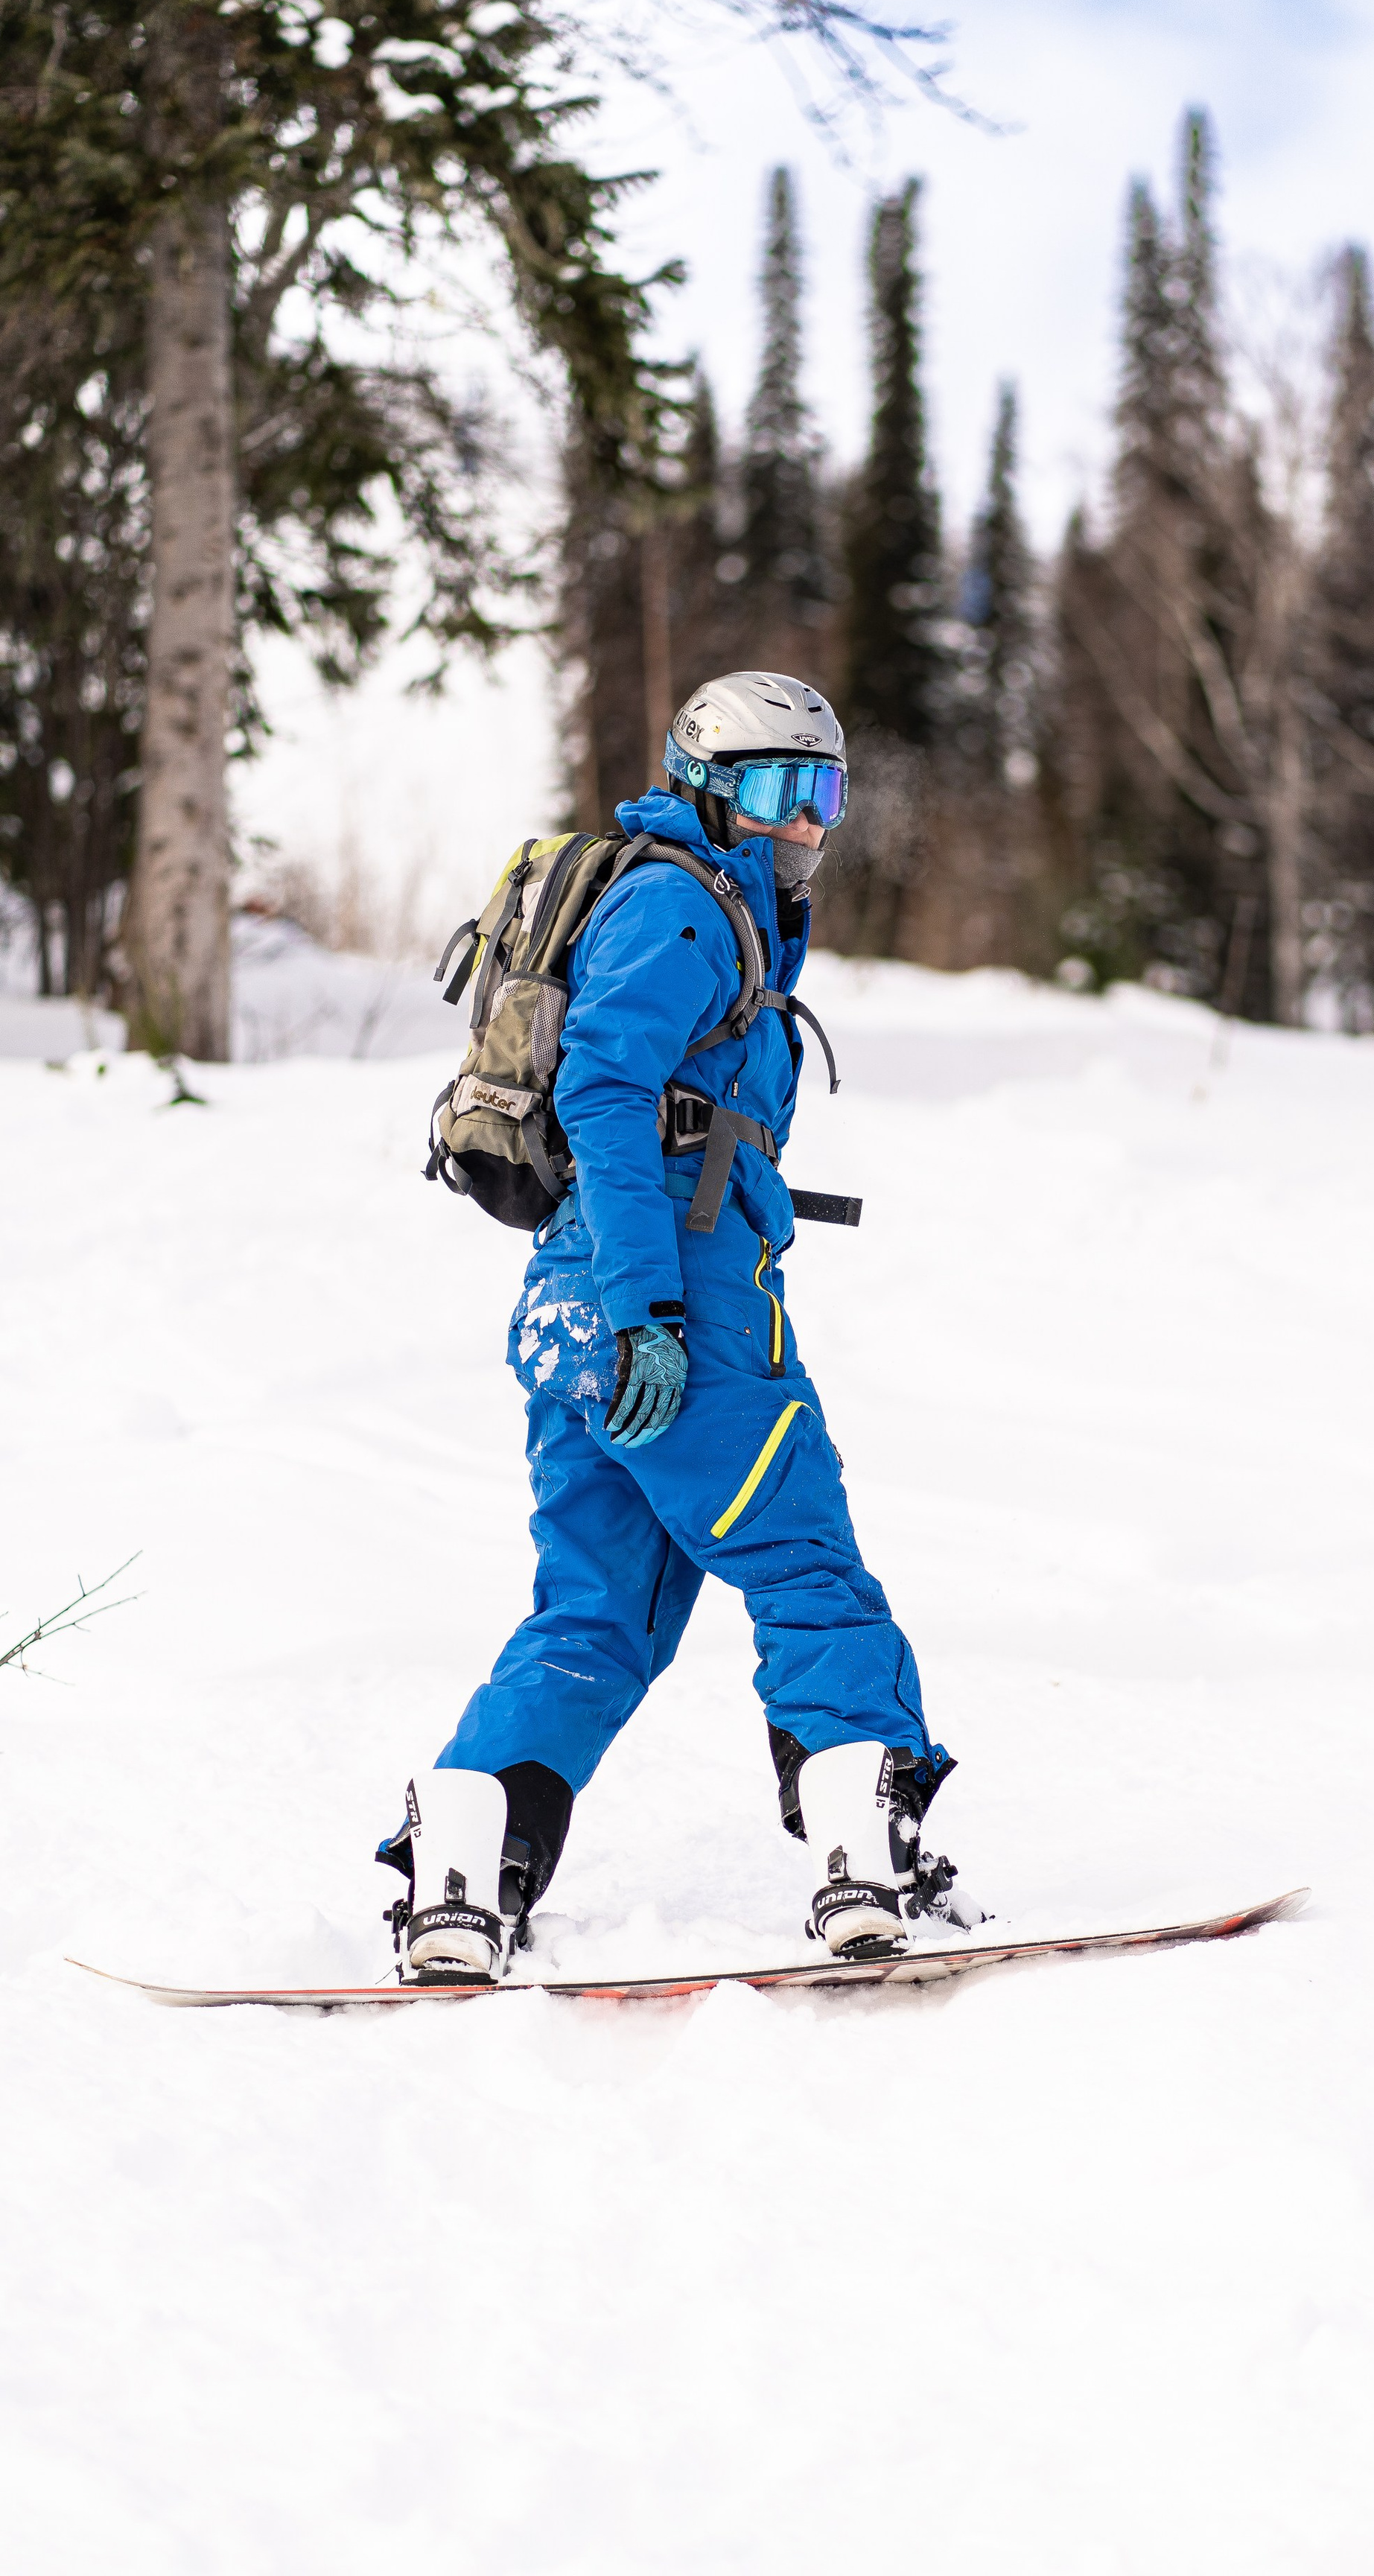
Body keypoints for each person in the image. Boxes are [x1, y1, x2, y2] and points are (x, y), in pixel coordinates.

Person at [378, 674, 969, 1985]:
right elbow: (603, 1091)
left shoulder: (699, 907)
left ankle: (466, 1870)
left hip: (574, 1311)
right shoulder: (684, 907)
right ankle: (869, 1860)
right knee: (807, 1570)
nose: (804, 822)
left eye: (824, 793)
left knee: (594, 1616)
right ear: (707, 787)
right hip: (671, 1305)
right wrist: (651, 1309)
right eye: (777, 789)